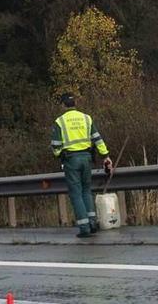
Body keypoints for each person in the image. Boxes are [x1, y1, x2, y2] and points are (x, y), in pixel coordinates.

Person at [50, 92, 113, 238]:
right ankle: (92, 223)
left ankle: (84, 227)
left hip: (71, 160)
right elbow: (97, 139)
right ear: (75, 104)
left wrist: (59, 154)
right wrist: (105, 156)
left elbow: (55, 146)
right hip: (87, 158)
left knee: (76, 193)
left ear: (62, 104)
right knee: (86, 190)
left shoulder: (60, 121)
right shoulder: (86, 118)